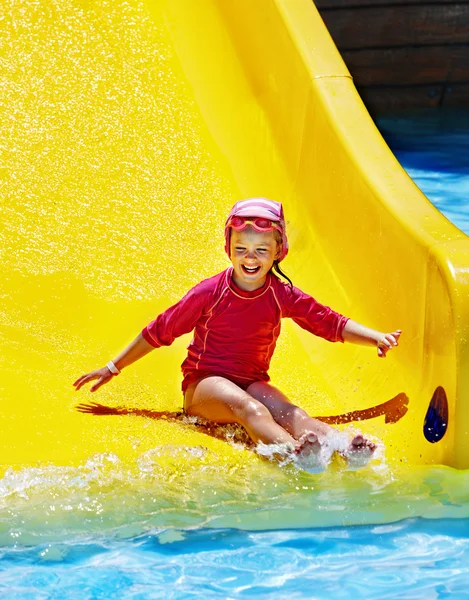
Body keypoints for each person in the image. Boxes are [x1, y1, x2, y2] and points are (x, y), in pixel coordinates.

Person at [73, 198, 401, 470]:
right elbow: (160, 331)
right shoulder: (209, 292)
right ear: (228, 247)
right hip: (204, 385)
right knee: (253, 410)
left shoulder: (281, 294)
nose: (250, 257)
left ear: (278, 252)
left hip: (251, 380)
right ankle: (298, 454)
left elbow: (330, 322)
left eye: (261, 249)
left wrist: (376, 337)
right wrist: (113, 367)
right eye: (241, 247)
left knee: (291, 413)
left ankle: (344, 449)